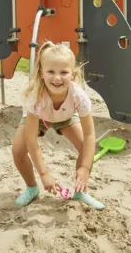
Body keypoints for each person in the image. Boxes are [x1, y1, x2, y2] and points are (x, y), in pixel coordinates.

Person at [11, 40, 104, 210]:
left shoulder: (79, 97)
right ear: (41, 73)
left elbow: (90, 134)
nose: (57, 77)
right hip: (38, 119)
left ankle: (80, 191)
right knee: (17, 151)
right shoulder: (35, 97)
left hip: (65, 118)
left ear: (73, 75)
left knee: (86, 151)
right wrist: (44, 174)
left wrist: (84, 167)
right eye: (51, 72)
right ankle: (32, 188)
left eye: (63, 72)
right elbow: (31, 139)